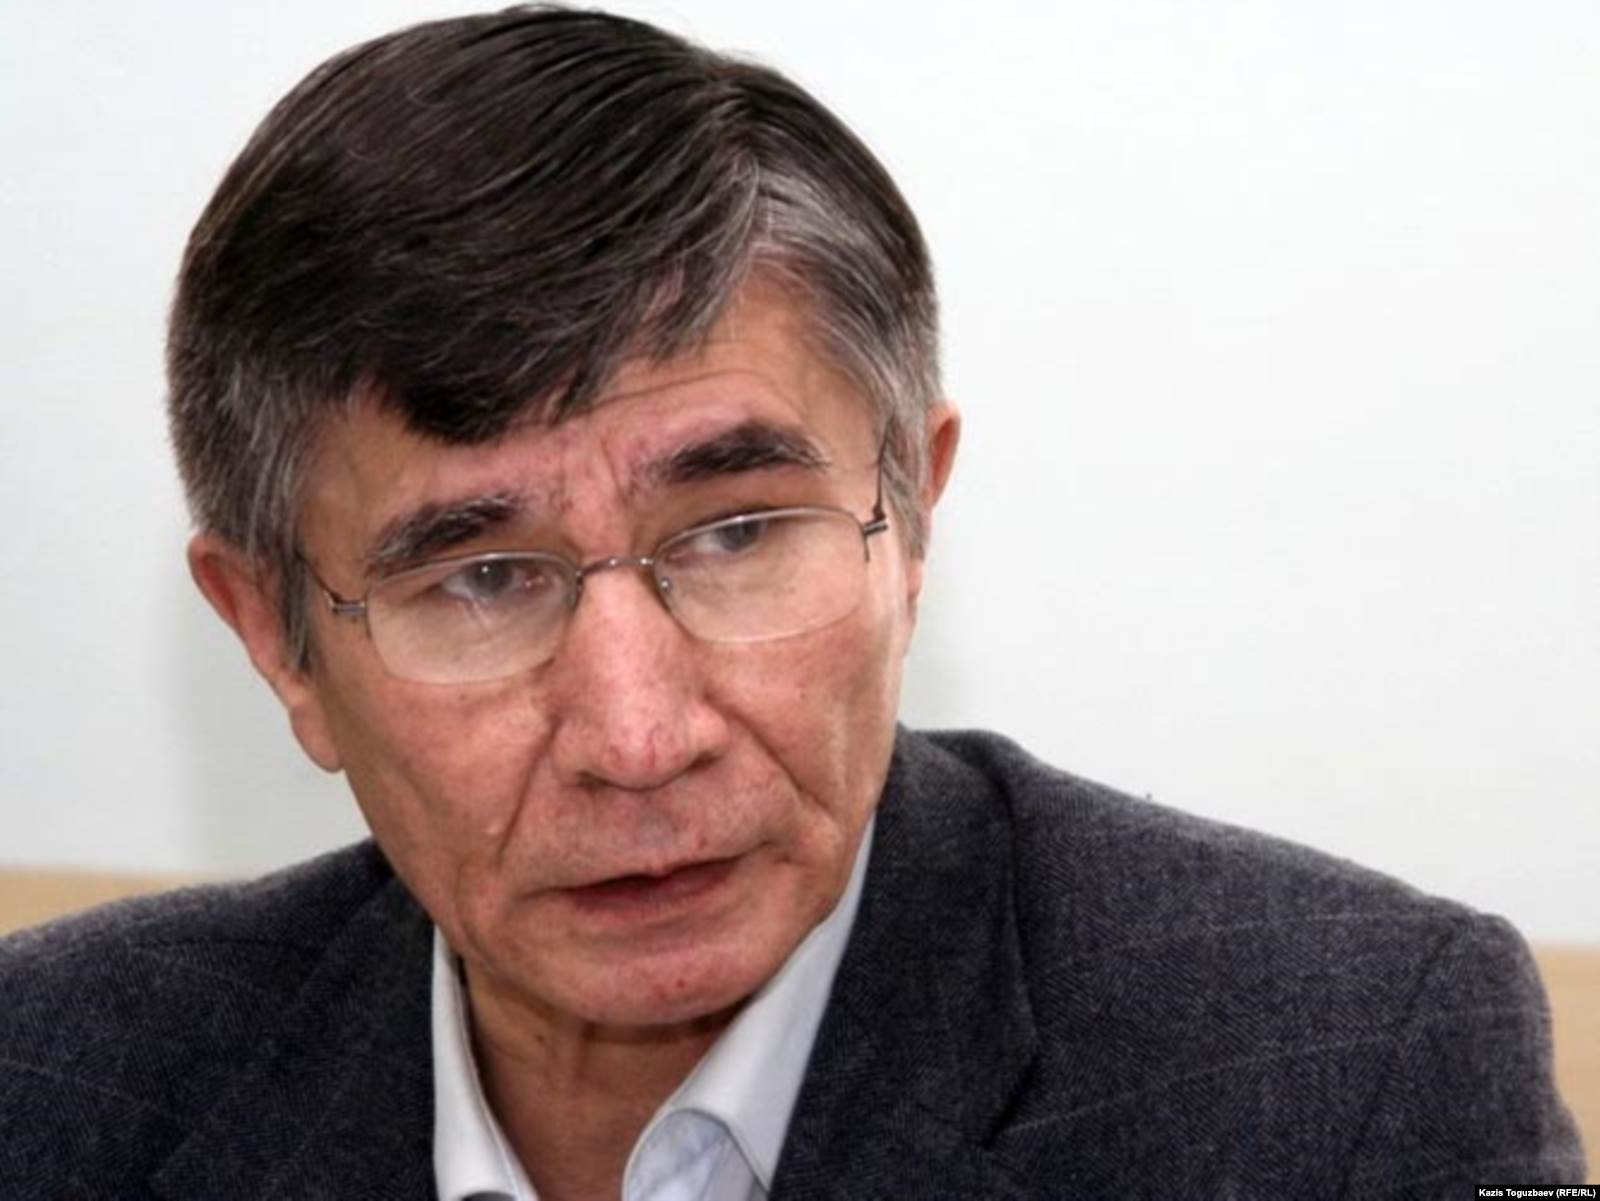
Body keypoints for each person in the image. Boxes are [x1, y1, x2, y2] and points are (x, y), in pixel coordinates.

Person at [0, 6, 1584, 1198]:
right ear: (276, 637)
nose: (638, 736)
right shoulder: (52, 1086)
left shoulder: (1363, 1075)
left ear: (912, 517)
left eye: (738, 532)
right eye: (481, 578)